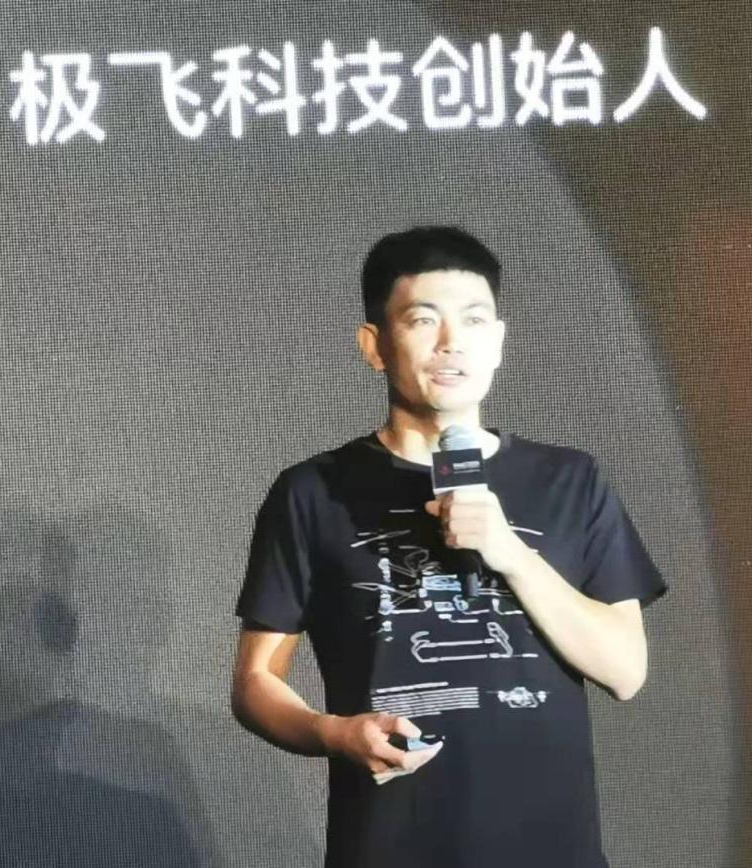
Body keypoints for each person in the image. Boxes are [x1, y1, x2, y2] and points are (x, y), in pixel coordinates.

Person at [231, 225, 668, 868]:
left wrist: (510, 552)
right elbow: (254, 683)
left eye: (473, 320)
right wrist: (334, 732)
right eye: (423, 320)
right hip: (389, 846)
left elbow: (625, 671)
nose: (450, 342)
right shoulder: (314, 492)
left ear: (498, 343)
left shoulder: (570, 481)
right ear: (375, 346)